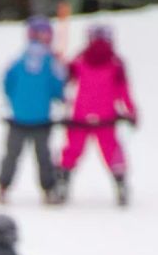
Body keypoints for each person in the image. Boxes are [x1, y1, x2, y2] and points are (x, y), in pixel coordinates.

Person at [55, 23, 139, 206]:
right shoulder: (116, 63)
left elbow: (63, 83)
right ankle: (121, 184)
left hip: (80, 116)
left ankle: (62, 182)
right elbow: (123, 91)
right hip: (105, 117)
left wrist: (60, 68)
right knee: (112, 152)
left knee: (71, 151)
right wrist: (131, 112)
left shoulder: (79, 60)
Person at [0, 16, 66, 204]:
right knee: (44, 157)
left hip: (18, 118)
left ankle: (3, 187)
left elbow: (7, 83)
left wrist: (14, 101)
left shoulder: (19, 59)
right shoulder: (51, 62)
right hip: (41, 120)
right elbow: (58, 89)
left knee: (11, 155)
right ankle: (49, 189)